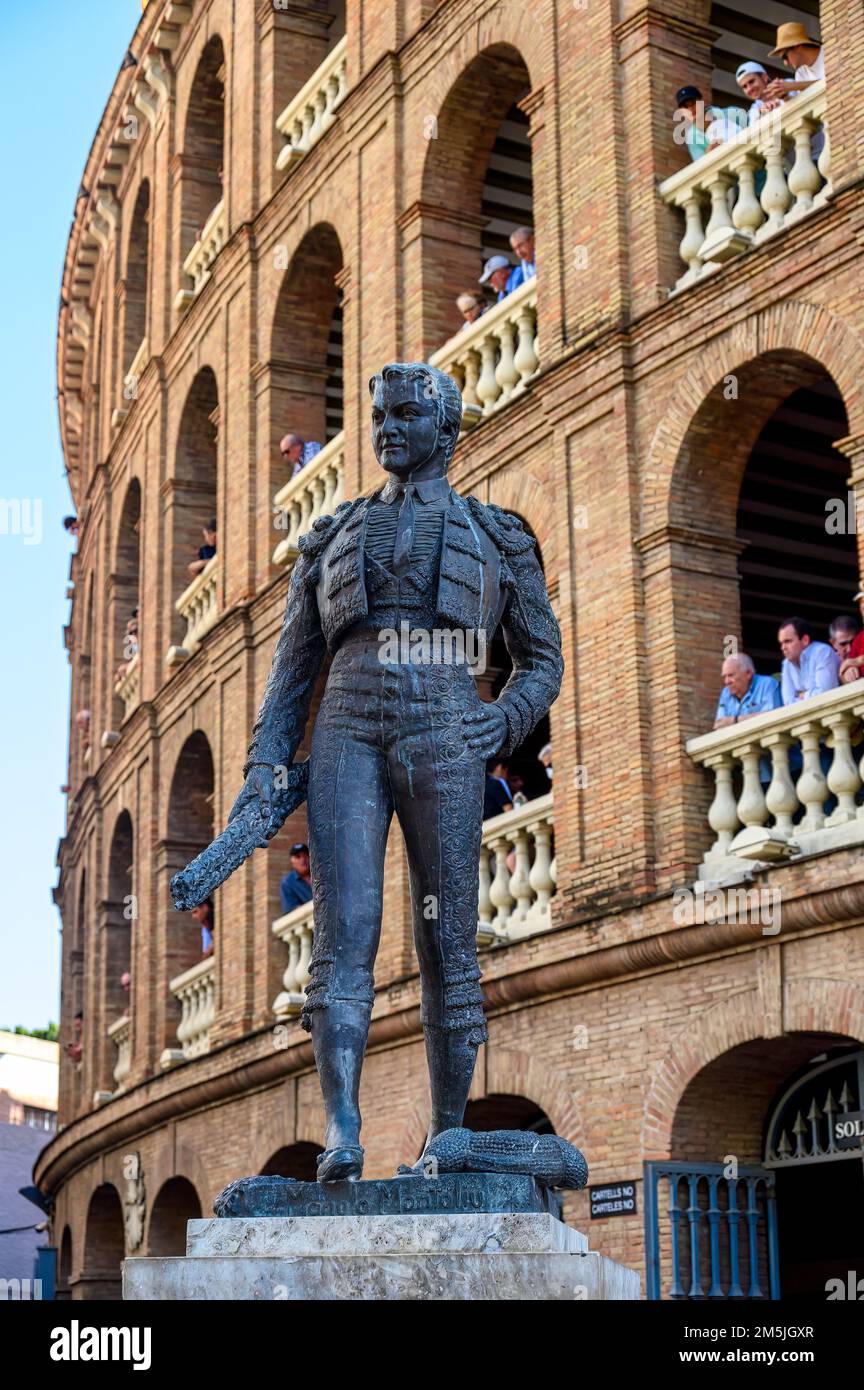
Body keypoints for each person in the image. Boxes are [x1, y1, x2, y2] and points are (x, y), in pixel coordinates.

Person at [228, 360, 563, 1182]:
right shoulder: (331, 536)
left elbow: (543, 658)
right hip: (347, 729)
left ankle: (448, 1134)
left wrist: (508, 718)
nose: (386, 427)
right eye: (379, 414)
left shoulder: (499, 535)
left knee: (446, 938)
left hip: (446, 730)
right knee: (345, 935)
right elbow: (289, 677)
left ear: (446, 430)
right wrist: (265, 767)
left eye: (406, 414)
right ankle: (343, 1131)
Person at [675, 86, 747, 161]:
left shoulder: (732, 113)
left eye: (693, 103)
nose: (690, 109)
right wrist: (708, 153)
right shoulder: (692, 139)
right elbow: (700, 165)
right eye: (685, 106)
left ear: (702, 101)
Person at [778, 617, 839, 705]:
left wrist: (803, 695)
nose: (783, 647)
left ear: (805, 640)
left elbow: (825, 694)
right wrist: (810, 694)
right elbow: (788, 703)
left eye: (788, 641)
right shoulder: (786, 664)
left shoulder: (822, 652)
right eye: (781, 643)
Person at [714, 653, 781, 727]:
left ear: (748, 673)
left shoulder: (767, 684)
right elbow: (718, 725)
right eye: (724, 677)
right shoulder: (726, 692)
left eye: (730, 675)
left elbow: (771, 716)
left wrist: (735, 720)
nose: (726, 681)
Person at [764, 23, 824, 104]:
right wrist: (785, 97)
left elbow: (833, 81)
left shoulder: (828, 53)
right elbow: (805, 105)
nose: (785, 63)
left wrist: (794, 86)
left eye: (785, 57)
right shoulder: (800, 73)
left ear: (797, 46)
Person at [280, 843, 313, 914]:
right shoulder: (288, 882)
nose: (303, 859)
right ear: (292, 861)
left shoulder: (321, 875)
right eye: (298, 857)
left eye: (305, 855)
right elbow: (291, 909)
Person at [507, 227, 536, 292]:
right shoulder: (525, 263)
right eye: (515, 249)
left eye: (520, 246)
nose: (518, 252)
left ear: (532, 240)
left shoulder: (541, 254)